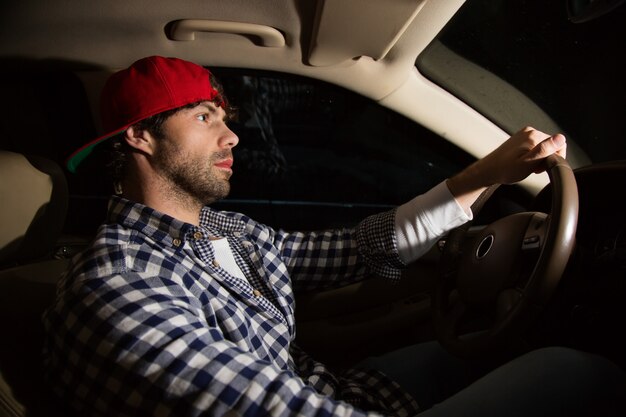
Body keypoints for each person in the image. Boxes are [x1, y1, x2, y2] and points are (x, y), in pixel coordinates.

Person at [42, 56, 625, 417]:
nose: (233, 138)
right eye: (202, 117)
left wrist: (489, 173)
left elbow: (358, 249)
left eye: (224, 117)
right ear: (141, 137)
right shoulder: (116, 289)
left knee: (498, 346)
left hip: (331, 389)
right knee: (578, 374)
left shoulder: (222, 229)